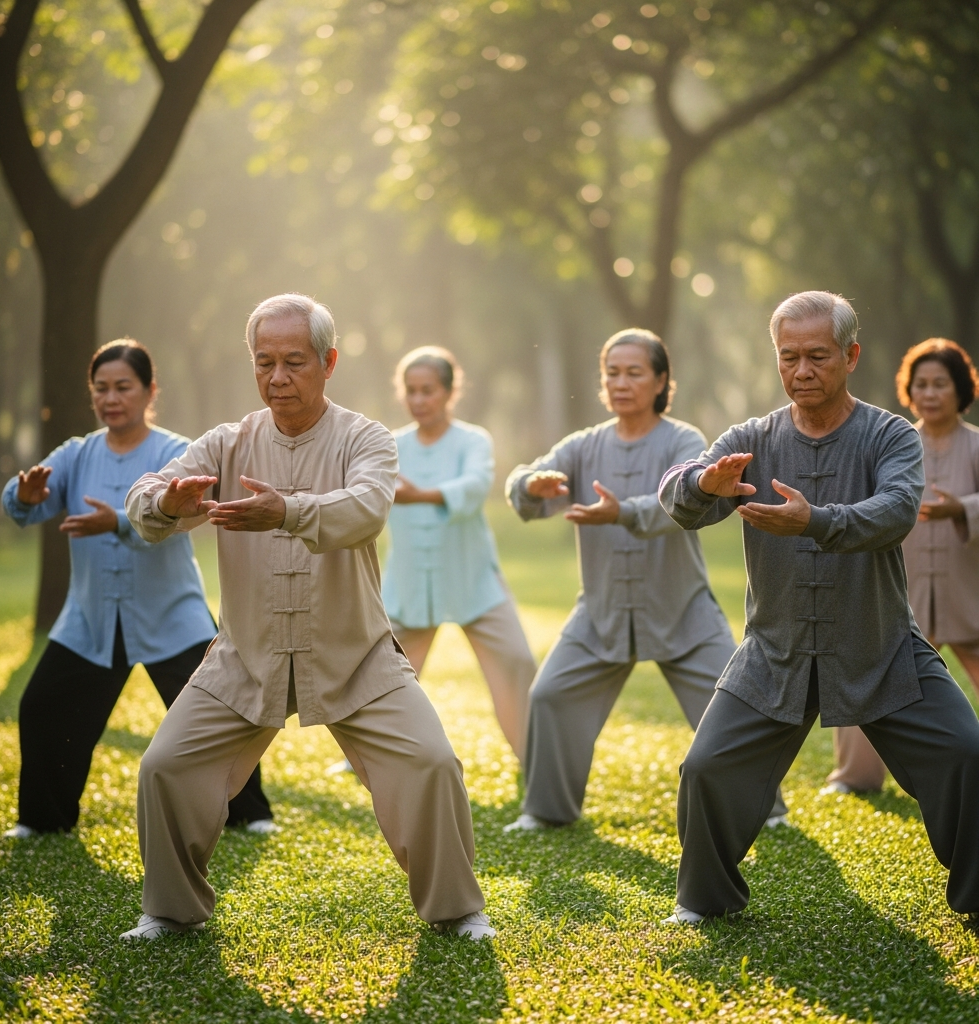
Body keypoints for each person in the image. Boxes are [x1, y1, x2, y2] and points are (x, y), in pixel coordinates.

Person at [121, 294, 493, 941]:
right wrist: (165, 499)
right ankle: (170, 911)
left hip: (356, 657)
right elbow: (143, 502)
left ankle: (458, 911)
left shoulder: (365, 438)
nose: (277, 378)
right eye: (264, 362)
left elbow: (366, 510)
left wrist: (286, 511)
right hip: (246, 657)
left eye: (294, 361)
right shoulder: (227, 443)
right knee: (165, 766)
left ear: (329, 362)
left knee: (433, 762)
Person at [659, 291, 979, 928]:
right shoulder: (752, 437)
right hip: (774, 651)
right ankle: (705, 900)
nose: (802, 370)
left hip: (880, 644)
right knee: (705, 767)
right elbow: (679, 490)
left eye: (817, 356)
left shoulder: (890, 435)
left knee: (966, 754)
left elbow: (894, 512)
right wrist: (702, 483)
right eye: (788, 358)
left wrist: (817, 520)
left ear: (851, 356)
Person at [502, 330, 785, 832]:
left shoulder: (683, 441)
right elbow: (525, 481)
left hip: (682, 609)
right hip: (602, 610)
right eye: (612, 372)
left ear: (660, 382)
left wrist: (620, 513)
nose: (621, 383)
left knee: (735, 703)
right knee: (550, 695)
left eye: (634, 373)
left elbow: (682, 504)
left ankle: (767, 808)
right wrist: (530, 484)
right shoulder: (584, 444)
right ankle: (546, 810)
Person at [0, 339, 274, 839]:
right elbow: (29, 505)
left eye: (123, 387)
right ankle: (43, 820)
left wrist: (120, 524)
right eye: (100, 388)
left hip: (171, 616)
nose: (111, 398)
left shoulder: (175, 451)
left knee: (219, 710)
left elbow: (191, 511)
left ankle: (248, 811)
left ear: (149, 390)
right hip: (91, 618)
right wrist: (23, 495)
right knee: (43, 706)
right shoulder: (78, 453)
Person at [824, 338, 979, 795]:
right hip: (898, 596)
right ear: (909, 390)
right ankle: (854, 777)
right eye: (921, 385)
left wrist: (964, 509)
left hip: (969, 596)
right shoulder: (892, 440)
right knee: (866, 673)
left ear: (961, 390)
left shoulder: (975, 446)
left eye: (940, 384)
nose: (930, 394)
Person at [382, 346, 535, 761]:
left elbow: (474, 488)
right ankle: (370, 755)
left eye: (428, 390)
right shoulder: (389, 444)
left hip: (473, 581)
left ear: (449, 392)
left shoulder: (473, 440)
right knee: (378, 677)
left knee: (517, 661)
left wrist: (421, 496)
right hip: (409, 584)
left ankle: (532, 757)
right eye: (411, 391)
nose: (419, 400)